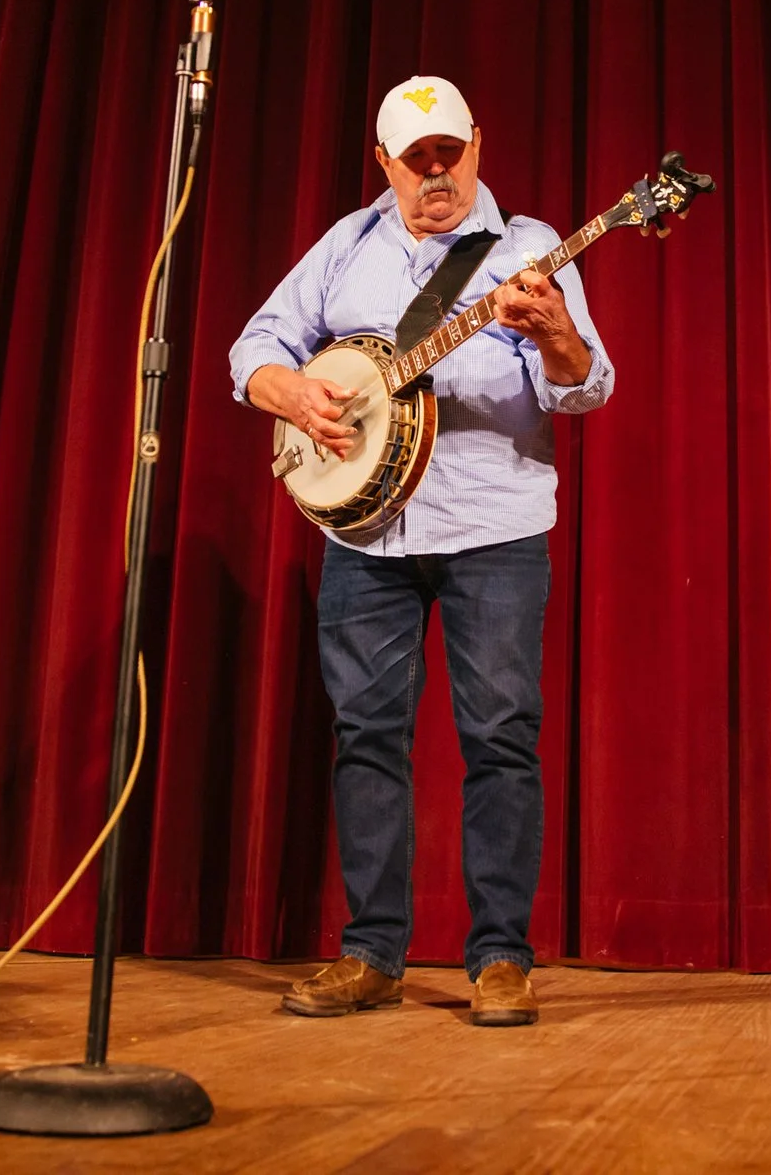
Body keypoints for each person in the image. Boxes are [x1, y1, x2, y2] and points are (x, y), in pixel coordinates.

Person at [229, 75, 613, 1028]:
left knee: (499, 739)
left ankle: (499, 960)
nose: (436, 173)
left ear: (477, 144)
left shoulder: (528, 252)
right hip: (365, 532)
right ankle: (372, 953)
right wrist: (292, 396)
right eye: (416, 158)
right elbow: (256, 344)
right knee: (366, 736)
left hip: (495, 530)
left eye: (450, 152)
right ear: (385, 162)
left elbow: (585, 388)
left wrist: (556, 333)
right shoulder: (346, 246)